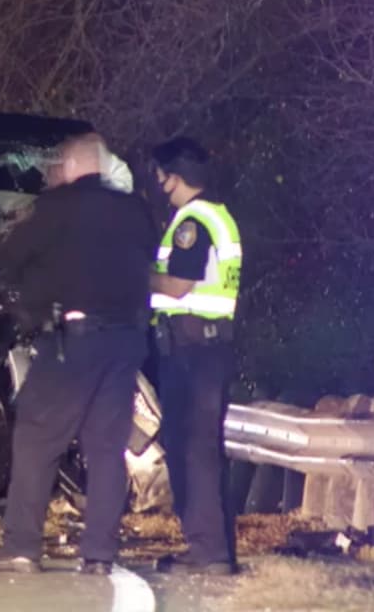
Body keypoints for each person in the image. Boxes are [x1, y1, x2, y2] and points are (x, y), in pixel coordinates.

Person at [0, 132, 156, 575]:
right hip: (126, 341)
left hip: (76, 341)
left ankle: (21, 547)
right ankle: (100, 556)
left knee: (35, 437)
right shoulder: (132, 208)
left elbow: (6, 260)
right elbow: (146, 261)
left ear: (71, 168)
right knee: (107, 449)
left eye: (57, 165)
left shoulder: (58, 207)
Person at [148, 136, 242, 576]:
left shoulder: (192, 222)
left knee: (193, 451)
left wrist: (134, 275)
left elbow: (178, 286)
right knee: (199, 448)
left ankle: (207, 552)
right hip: (206, 347)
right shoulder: (216, 216)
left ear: (175, 176)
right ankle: (209, 548)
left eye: (161, 174)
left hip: (192, 351)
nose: (158, 183)